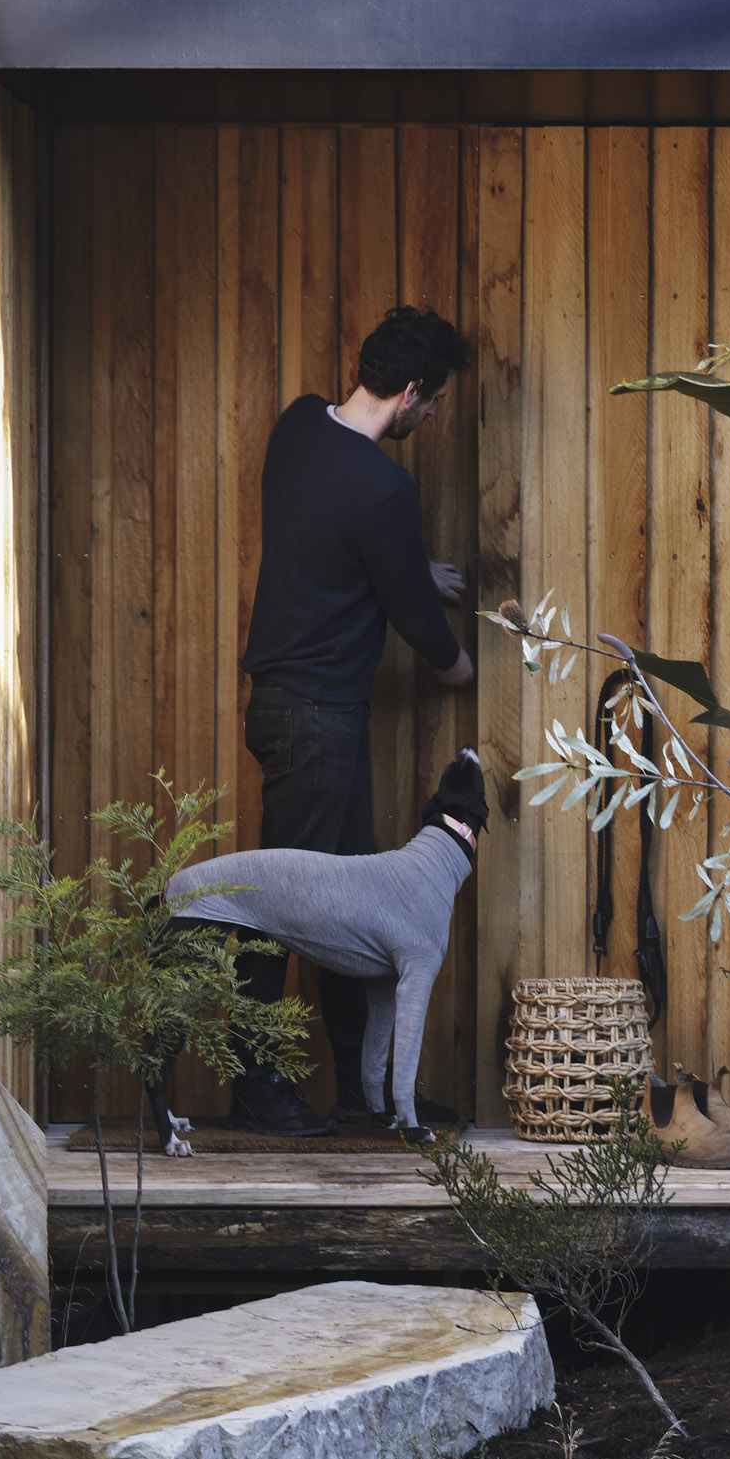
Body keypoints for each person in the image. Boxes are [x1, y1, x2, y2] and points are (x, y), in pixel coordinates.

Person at [228, 304, 475, 1136]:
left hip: (287, 709)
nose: (432, 417)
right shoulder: (382, 489)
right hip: (317, 721)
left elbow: (336, 545)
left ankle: (364, 1093)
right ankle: (255, 1086)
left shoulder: (297, 428)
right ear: (410, 393)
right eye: (434, 404)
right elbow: (412, 617)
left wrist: (412, 567)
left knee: (346, 914)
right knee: (271, 906)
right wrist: (456, 663)